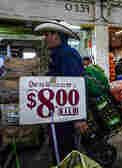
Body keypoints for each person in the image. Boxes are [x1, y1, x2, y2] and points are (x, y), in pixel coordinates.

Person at [35, 21, 88, 163]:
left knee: (64, 152)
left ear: (57, 36)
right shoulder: (57, 54)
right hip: (59, 112)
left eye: (48, 34)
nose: (45, 38)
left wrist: (79, 117)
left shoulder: (67, 54)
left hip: (67, 116)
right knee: (62, 150)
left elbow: (75, 85)